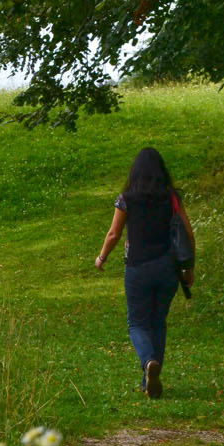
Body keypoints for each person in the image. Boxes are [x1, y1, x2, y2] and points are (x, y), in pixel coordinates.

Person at [94, 147, 195, 398]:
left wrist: (101, 257)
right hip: (167, 269)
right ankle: (148, 382)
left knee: (137, 323)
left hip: (137, 268)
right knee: (157, 321)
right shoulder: (172, 198)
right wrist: (188, 268)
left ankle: (148, 362)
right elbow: (188, 233)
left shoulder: (127, 198)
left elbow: (114, 233)